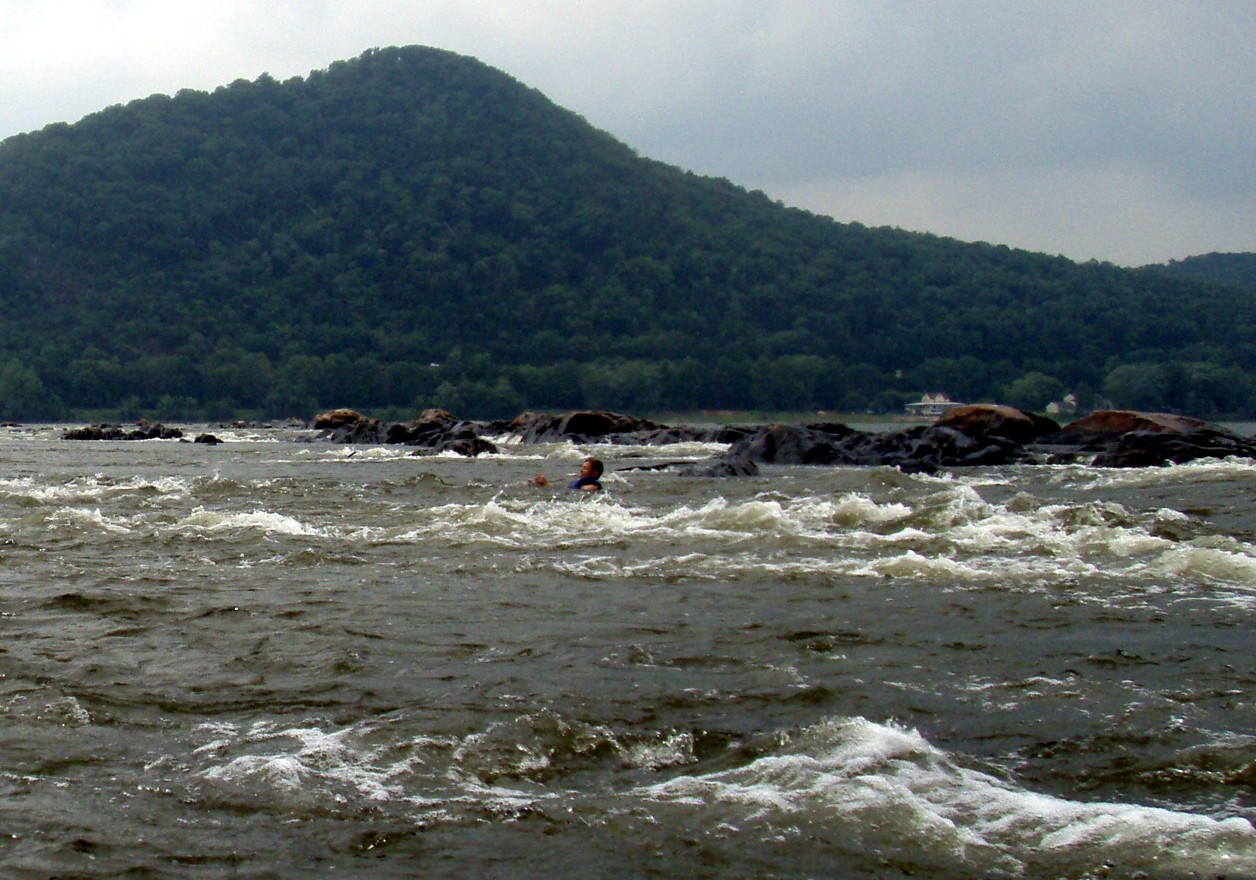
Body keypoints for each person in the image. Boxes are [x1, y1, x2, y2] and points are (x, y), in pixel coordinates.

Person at [533, 457, 603, 491]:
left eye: (585, 468)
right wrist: (545, 483)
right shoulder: (581, 482)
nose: (581, 471)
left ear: (595, 473)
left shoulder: (592, 486)